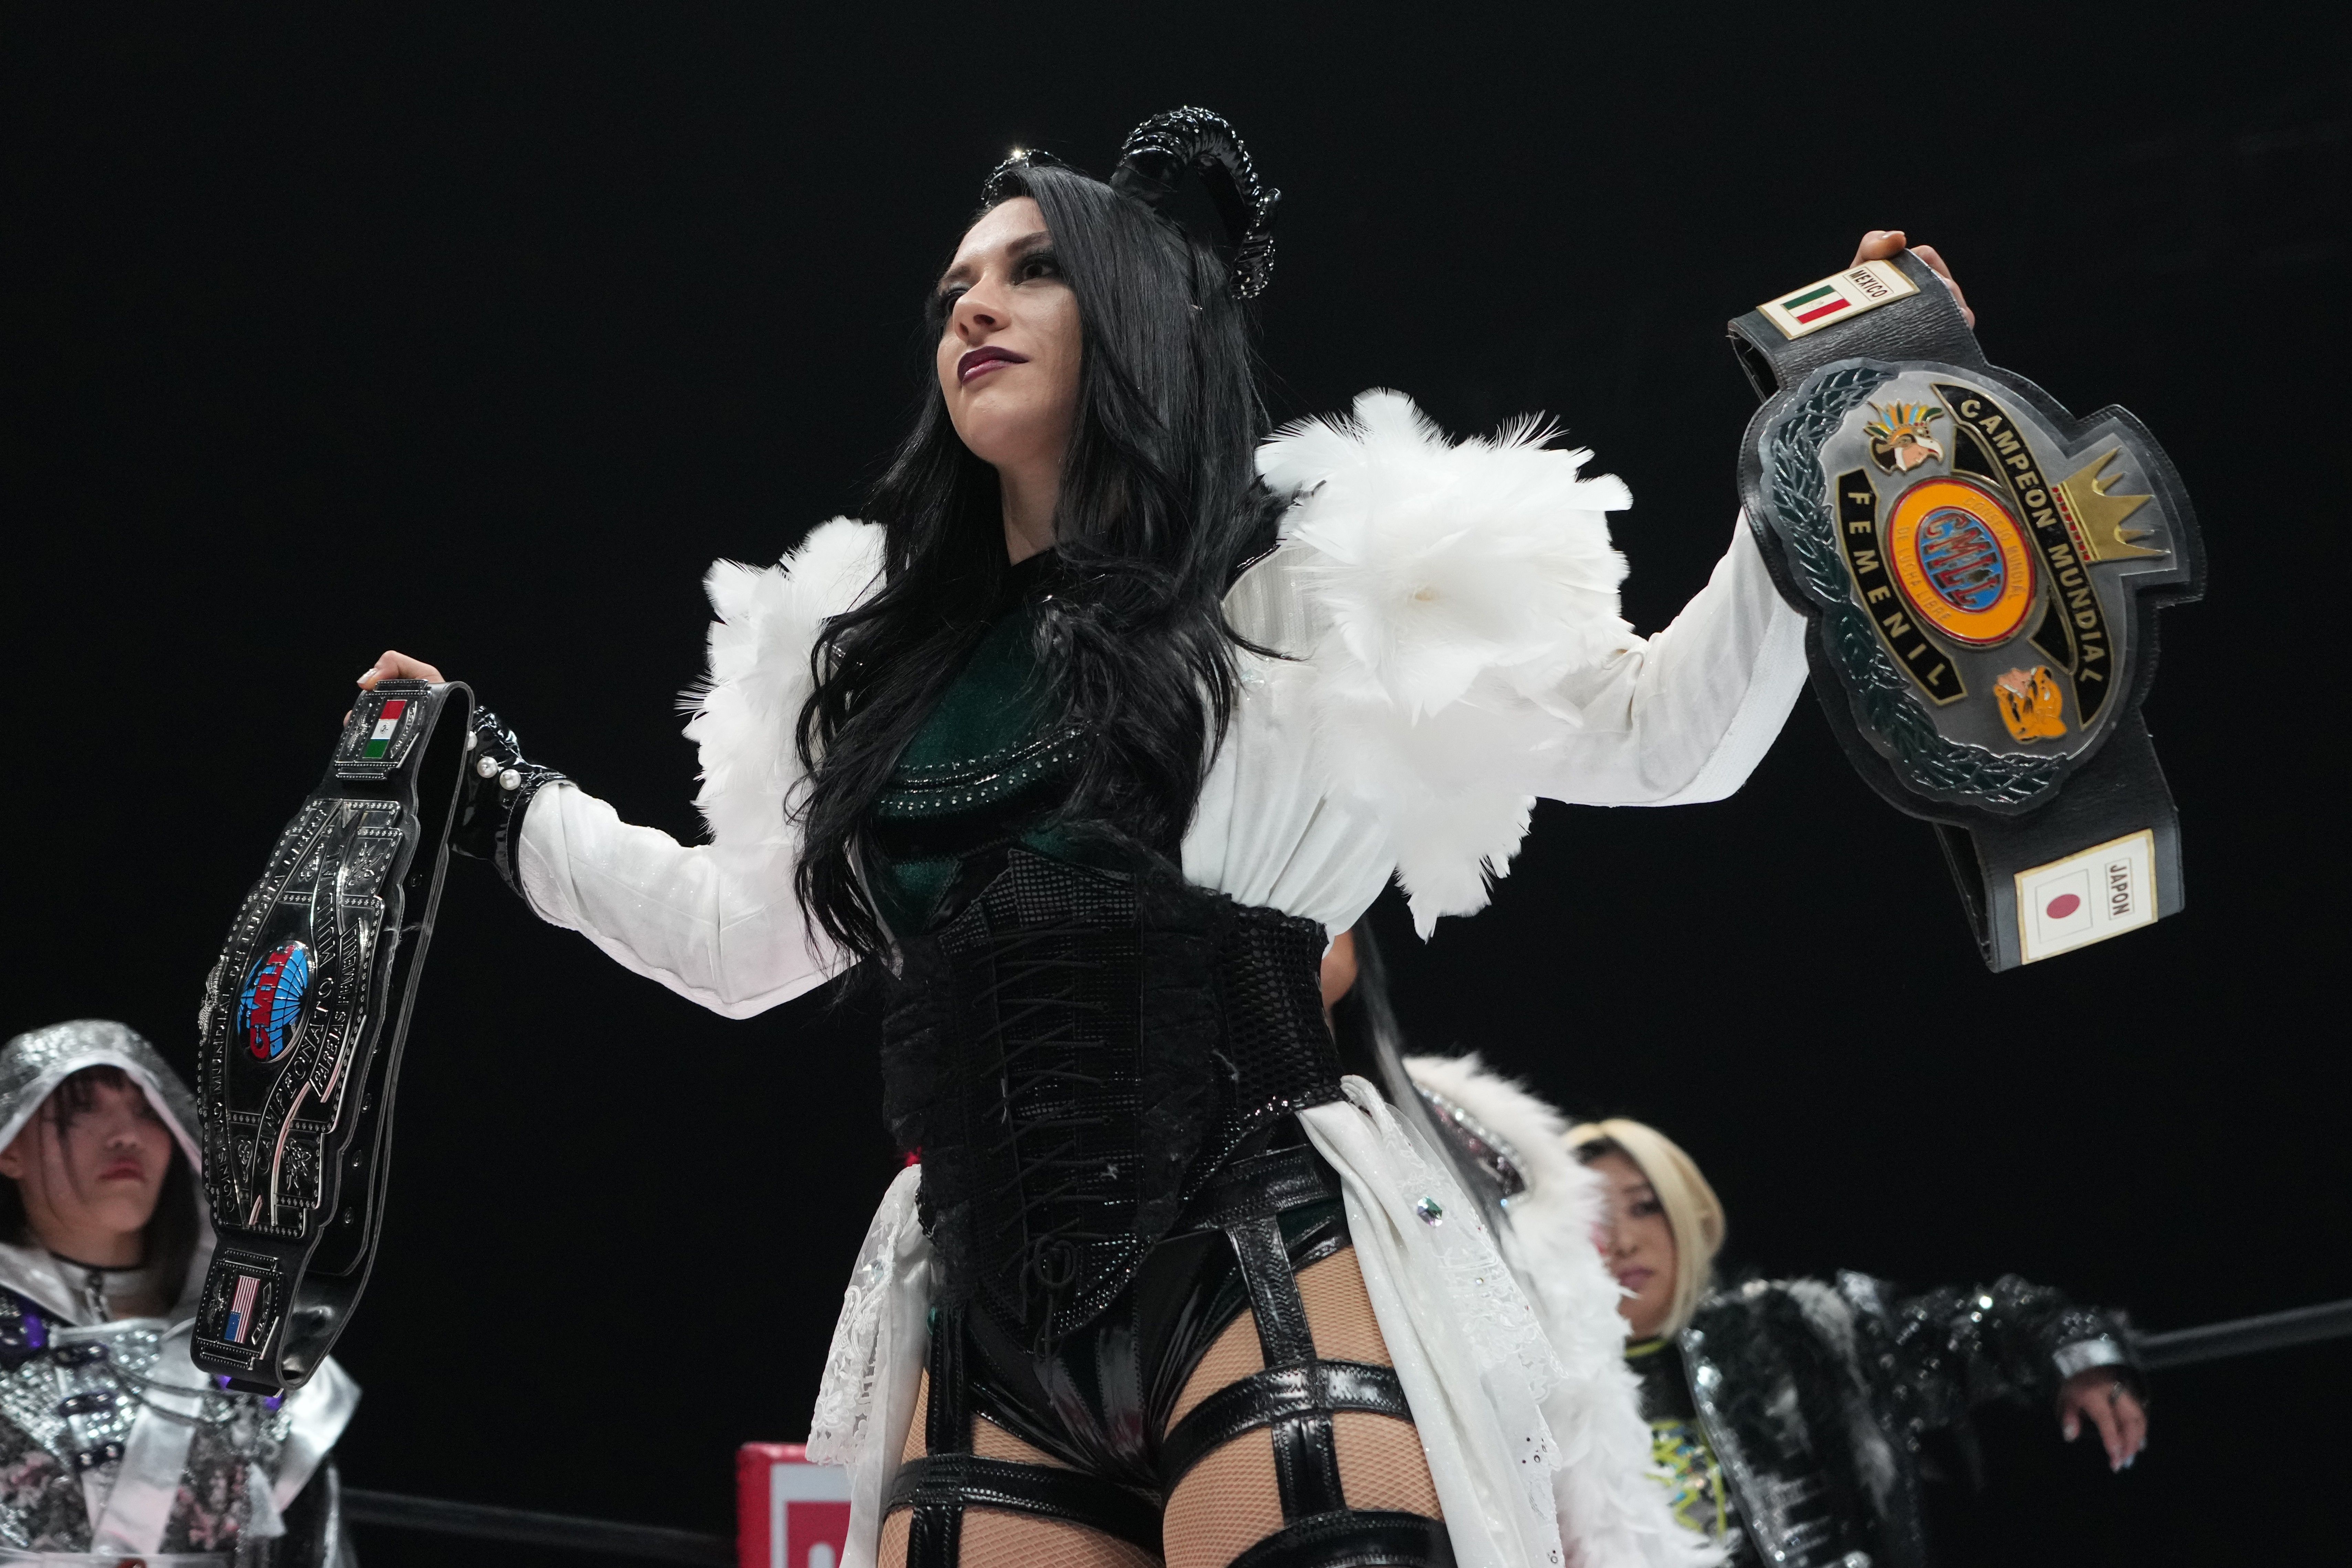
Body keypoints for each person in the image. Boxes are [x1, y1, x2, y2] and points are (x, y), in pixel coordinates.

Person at [357, 106, 1964, 1568]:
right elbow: (734, 945)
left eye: (1030, 270)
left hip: (1262, 1248)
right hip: (987, 1326)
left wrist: (1820, 444)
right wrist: (491, 795)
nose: (971, 308)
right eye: (954, 289)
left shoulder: (1320, 581)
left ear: (1137, 308)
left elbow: (1670, 740)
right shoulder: (880, 672)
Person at [1394, 1048, 2145, 1568]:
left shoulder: (1793, 1334)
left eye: (1646, 1207)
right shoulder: (1528, 1391)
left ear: (1688, 1221)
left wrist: (2081, 1356)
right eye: (1595, 1217)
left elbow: (1974, 1325)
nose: (1622, 1241)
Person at [0, 1020, 358, 1566]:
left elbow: (313, 1549)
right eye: (82, 1110)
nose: (126, 1135)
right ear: (10, 1147)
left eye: (148, 1111)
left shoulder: (257, 1340)